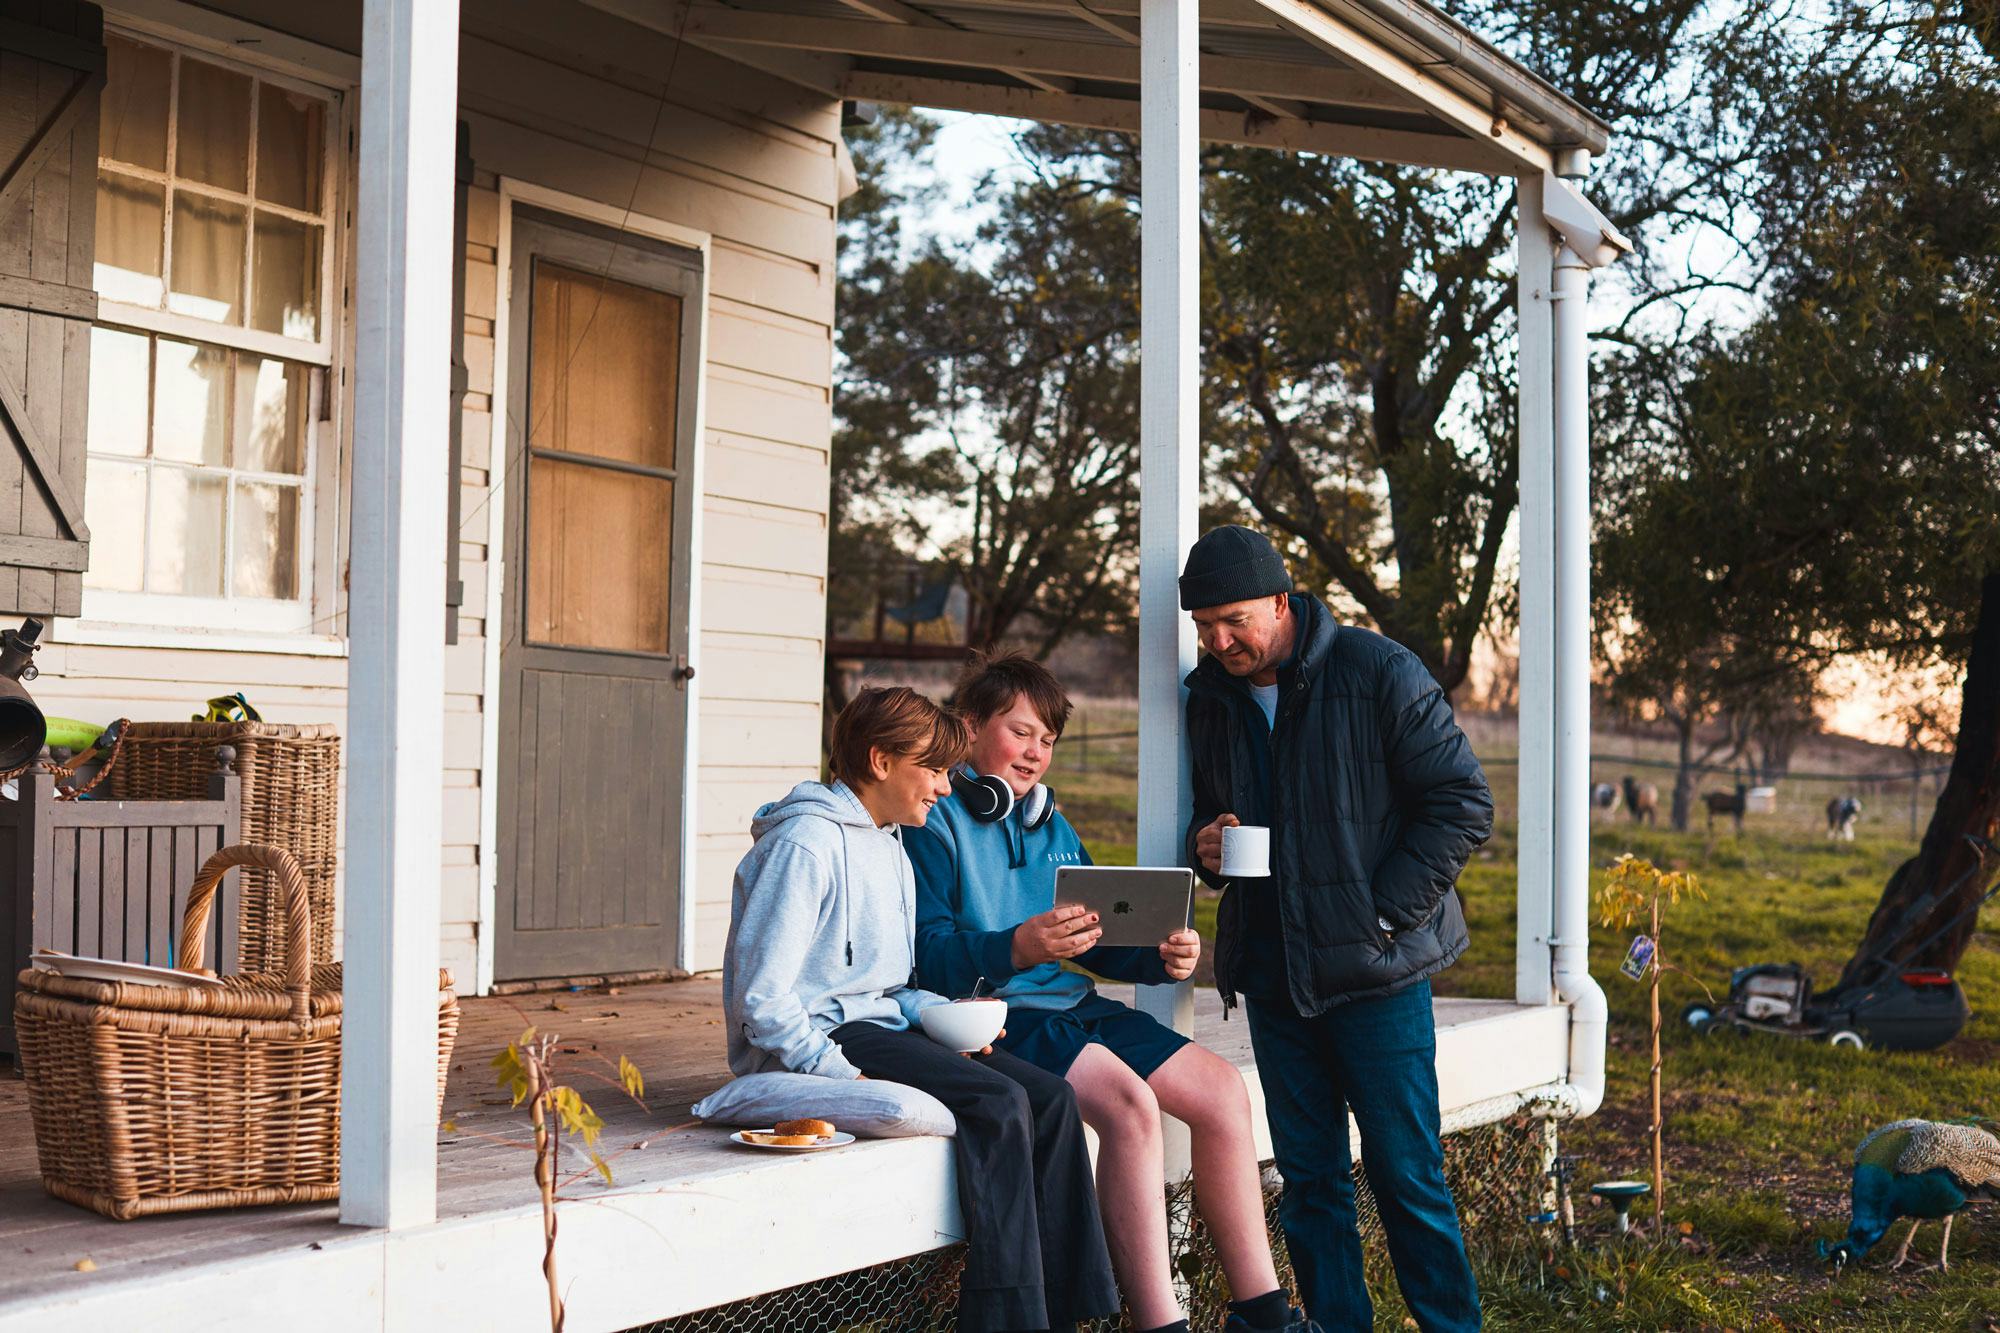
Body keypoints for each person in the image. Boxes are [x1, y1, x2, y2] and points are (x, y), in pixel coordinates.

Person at [908, 652, 1309, 1333]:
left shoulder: (1050, 826)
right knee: (1131, 1106)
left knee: (1221, 1091)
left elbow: (1099, 934)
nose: (1035, 752)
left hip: (1072, 1004)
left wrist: (1159, 958)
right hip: (1001, 1018)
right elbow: (929, 957)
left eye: (1047, 740)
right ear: (970, 726)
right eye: (1020, 731)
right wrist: (1017, 947)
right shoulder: (935, 821)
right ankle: (1158, 1322)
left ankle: (1264, 1315)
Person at [723, 685, 1120, 1333]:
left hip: (879, 1022)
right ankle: (1008, 1319)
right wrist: (839, 1072)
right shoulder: (804, 845)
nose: (944, 788)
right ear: (881, 761)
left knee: (1049, 1098)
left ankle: (1072, 1309)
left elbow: (890, 982)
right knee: (998, 1103)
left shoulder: (889, 843)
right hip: (823, 1037)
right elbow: (761, 1000)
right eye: (932, 769)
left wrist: (941, 1015)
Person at [1178, 526, 1492, 1333]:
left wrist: (1381, 915)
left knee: (1406, 1173)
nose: (1219, 641)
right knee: (1311, 1182)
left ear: (1283, 601)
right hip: (1275, 977)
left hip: (1378, 976)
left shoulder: (1378, 669)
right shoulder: (1208, 696)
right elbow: (1211, 820)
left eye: (1234, 620)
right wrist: (1204, 846)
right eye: (1204, 625)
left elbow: (1462, 804)